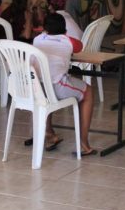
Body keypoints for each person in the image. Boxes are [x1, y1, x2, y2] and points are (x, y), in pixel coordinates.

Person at [33, 13, 96, 155]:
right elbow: (80, 46)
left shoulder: (37, 40)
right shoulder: (68, 41)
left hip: (37, 88)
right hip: (57, 86)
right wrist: (64, 36)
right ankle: (84, 143)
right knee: (88, 92)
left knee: (47, 95)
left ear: (44, 28)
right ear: (65, 29)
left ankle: (49, 133)